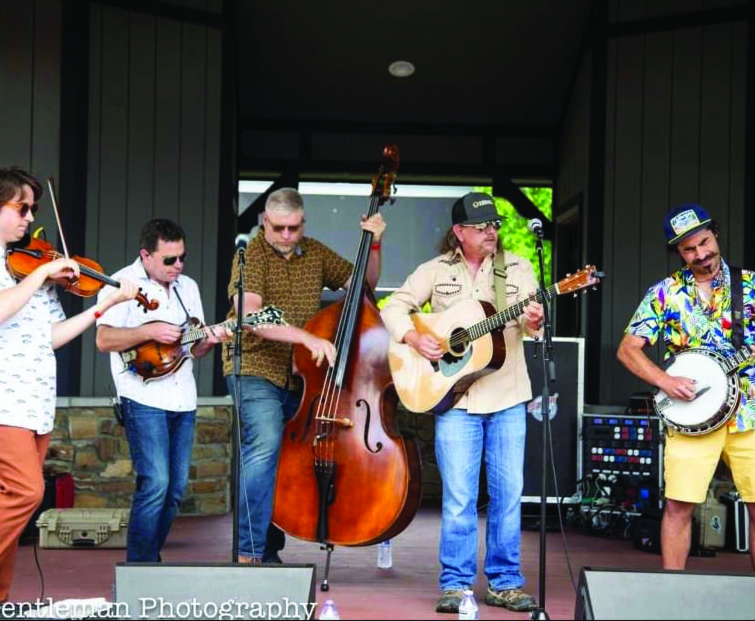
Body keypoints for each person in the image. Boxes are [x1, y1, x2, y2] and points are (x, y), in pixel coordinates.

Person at [0, 166, 138, 619]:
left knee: (7, 498)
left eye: (32, 208)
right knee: (26, 493)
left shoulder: (31, 266)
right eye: (21, 208)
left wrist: (100, 308)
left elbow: (48, 335)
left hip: (33, 400)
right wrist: (44, 272)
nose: (30, 217)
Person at [380, 192, 542, 614]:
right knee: (458, 497)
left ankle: (506, 583)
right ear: (459, 232)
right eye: (482, 226)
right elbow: (395, 306)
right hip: (455, 397)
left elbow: (532, 325)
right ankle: (455, 585)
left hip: (508, 394)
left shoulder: (519, 269)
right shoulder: (434, 270)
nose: (492, 231)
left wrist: (535, 322)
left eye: (495, 225)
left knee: (508, 494)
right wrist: (414, 337)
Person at [616, 203, 755, 573]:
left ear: (716, 235)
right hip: (690, 417)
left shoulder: (753, 285)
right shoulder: (665, 292)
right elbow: (628, 349)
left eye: (705, 243)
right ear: (678, 252)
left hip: (750, 414)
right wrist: (665, 381)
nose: (701, 254)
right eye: (689, 249)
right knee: (679, 508)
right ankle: (673, 599)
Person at [224, 187, 385, 564]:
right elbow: (251, 318)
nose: (284, 236)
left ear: (302, 224)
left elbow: (363, 285)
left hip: (300, 375)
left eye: (292, 228)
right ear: (265, 222)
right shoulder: (250, 256)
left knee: (286, 459)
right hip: (254, 366)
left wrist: (374, 246)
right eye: (277, 228)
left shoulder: (315, 252)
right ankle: (248, 553)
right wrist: (306, 337)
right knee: (264, 448)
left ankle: (268, 548)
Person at [95, 219, 231, 563]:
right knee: (154, 482)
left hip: (183, 396)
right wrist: (150, 330)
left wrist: (211, 340)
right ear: (146, 255)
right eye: (169, 260)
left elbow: (193, 348)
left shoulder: (189, 287)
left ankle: (149, 557)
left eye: (182, 257)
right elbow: (104, 339)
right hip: (142, 396)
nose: (179, 266)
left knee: (174, 490)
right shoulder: (120, 284)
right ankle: (139, 567)